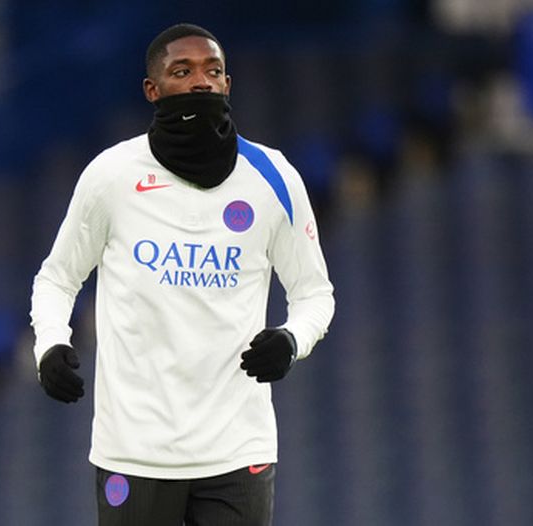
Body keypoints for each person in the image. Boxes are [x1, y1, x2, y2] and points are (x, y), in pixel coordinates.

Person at [30, 23, 335, 526]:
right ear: (153, 90)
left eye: (213, 70)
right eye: (182, 70)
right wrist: (50, 345)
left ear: (228, 85)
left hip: (238, 451)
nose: (201, 82)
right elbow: (57, 278)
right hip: (133, 450)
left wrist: (291, 339)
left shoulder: (274, 177)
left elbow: (314, 293)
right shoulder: (112, 175)